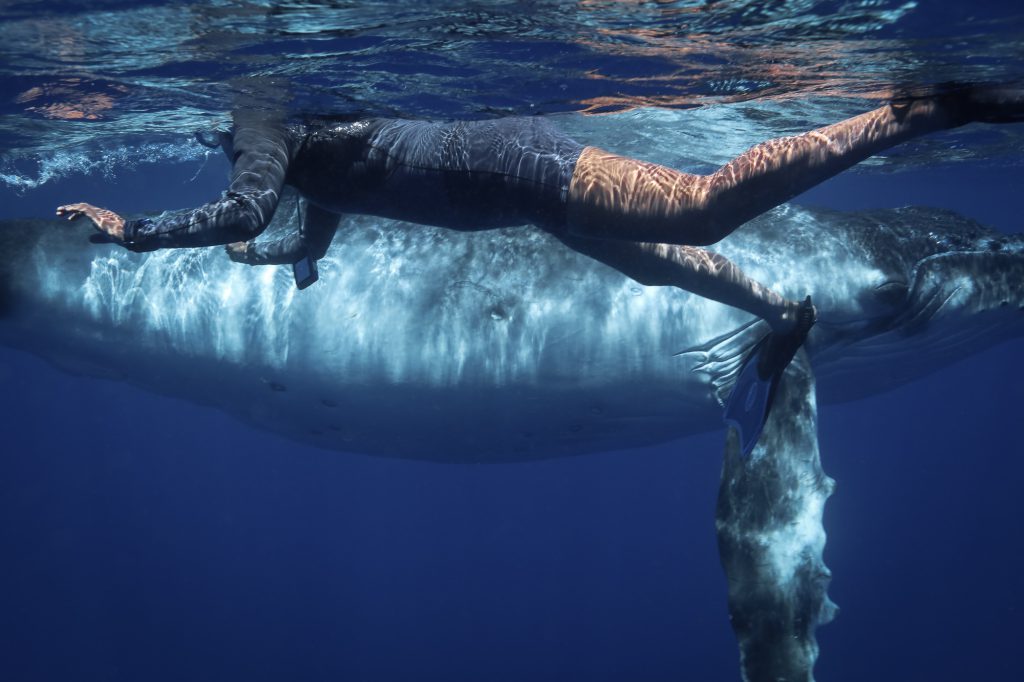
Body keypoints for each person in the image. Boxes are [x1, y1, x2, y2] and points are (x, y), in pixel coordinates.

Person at [55, 85, 1023, 450]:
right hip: (508, 190)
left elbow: (246, 200)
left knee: (705, 207)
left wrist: (131, 232)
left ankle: (915, 113)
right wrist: (274, 259)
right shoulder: (305, 148)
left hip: (515, 167)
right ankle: (778, 308)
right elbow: (306, 224)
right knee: (658, 271)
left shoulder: (259, 125)